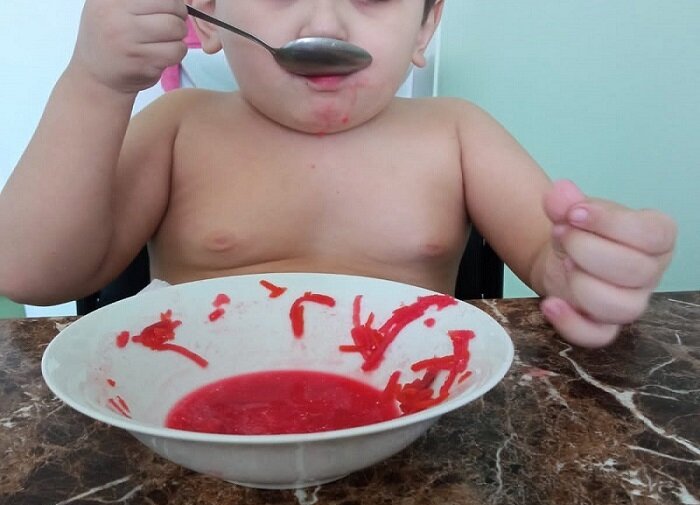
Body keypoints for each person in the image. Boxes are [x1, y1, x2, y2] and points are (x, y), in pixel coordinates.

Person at [0, 0, 676, 348]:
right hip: (208, 430)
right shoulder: (180, 127)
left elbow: (549, 257)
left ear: (425, 28)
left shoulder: (457, 132)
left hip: (409, 426)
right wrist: (95, 83)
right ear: (209, 17)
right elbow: (32, 274)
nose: (325, 20)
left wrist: (585, 270)